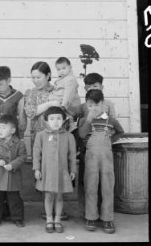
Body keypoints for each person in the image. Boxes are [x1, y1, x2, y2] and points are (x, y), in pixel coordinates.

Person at [24, 61, 69, 220]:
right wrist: (50, 103)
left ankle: (58, 210)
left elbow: (64, 109)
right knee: (43, 170)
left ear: (48, 75)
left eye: (39, 77)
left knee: (58, 167)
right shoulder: (29, 93)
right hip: (39, 136)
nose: (35, 80)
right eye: (33, 77)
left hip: (59, 136)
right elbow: (30, 112)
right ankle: (48, 208)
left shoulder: (58, 89)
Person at [78, 89, 124, 234]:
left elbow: (120, 132)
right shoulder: (85, 120)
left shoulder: (111, 120)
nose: (93, 108)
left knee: (107, 188)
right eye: (90, 105)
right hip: (90, 159)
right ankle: (91, 217)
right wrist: (89, 119)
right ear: (86, 105)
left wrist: (110, 140)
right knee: (90, 187)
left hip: (107, 161)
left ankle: (108, 219)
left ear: (103, 104)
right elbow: (81, 134)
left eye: (96, 105)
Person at [77, 72, 117, 217]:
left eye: (95, 86)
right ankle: (86, 212)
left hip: (104, 148)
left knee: (105, 182)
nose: (92, 89)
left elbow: (114, 125)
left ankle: (104, 213)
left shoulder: (109, 105)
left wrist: (108, 141)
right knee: (86, 181)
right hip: (87, 148)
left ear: (102, 86)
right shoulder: (83, 106)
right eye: (88, 88)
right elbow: (80, 126)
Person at [33, 106, 76, 233]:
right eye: (52, 119)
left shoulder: (69, 137)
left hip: (62, 172)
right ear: (46, 121)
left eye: (58, 118)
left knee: (59, 196)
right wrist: (36, 169)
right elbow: (36, 153)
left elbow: (72, 155)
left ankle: (57, 219)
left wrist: (73, 170)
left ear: (64, 120)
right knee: (48, 196)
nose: (55, 121)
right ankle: (49, 219)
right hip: (47, 172)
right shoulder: (41, 135)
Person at [0, 114, 27, 228]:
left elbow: (22, 157)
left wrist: (12, 165)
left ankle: (18, 218)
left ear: (13, 130)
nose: (0, 130)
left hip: (12, 175)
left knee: (14, 199)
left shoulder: (20, 143)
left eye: (4, 127)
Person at [0, 66, 27, 143]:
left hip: (13, 136)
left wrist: (21, 135)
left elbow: (22, 118)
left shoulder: (19, 96)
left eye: (0, 84)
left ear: (9, 80)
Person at [48, 57, 81, 132]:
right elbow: (60, 89)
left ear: (70, 67)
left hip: (67, 106)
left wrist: (63, 106)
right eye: (59, 69)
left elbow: (68, 94)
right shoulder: (63, 78)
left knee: (68, 119)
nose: (61, 71)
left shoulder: (70, 79)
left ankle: (71, 128)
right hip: (61, 104)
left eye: (64, 68)